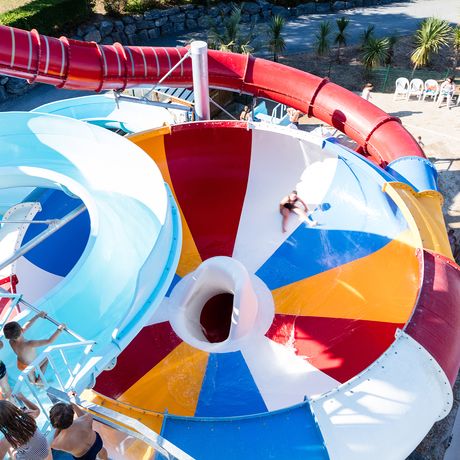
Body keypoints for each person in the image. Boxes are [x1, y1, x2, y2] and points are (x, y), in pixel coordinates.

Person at [3, 311, 65, 381]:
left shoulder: (11, 341)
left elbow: (26, 326)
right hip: (31, 366)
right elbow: (49, 341)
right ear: (21, 330)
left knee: (31, 376)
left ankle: (33, 381)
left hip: (21, 365)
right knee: (46, 359)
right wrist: (59, 330)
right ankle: (40, 379)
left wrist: (37, 316)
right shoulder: (29, 344)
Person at [0, 393, 52, 460]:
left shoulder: (7, 439)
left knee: (11, 451)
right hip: (45, 450)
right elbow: (37, 411)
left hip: (29, 458)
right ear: (13, 409)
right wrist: (24, 399)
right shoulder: (27, 418)